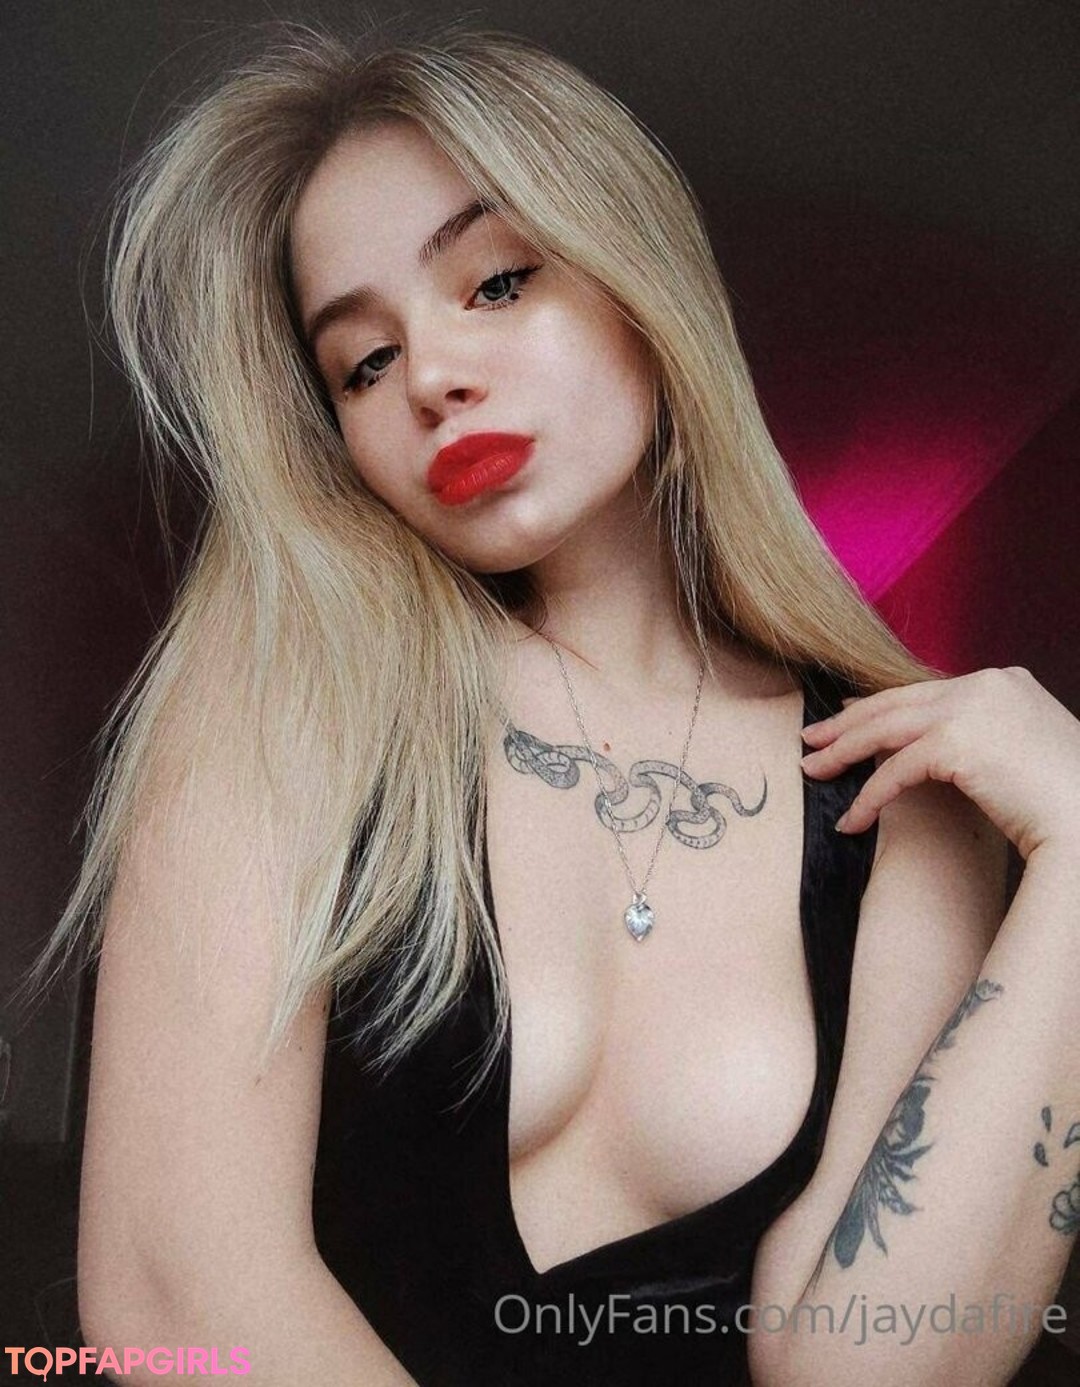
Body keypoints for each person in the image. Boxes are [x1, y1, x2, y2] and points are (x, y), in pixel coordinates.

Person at [24, 19, 1080, 1387]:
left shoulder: (896, 788)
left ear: (640, 281)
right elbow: (176, 1292)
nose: (432, 377)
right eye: (363, 362)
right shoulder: (285, 691)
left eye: (498, 282)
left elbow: (875, 1365)